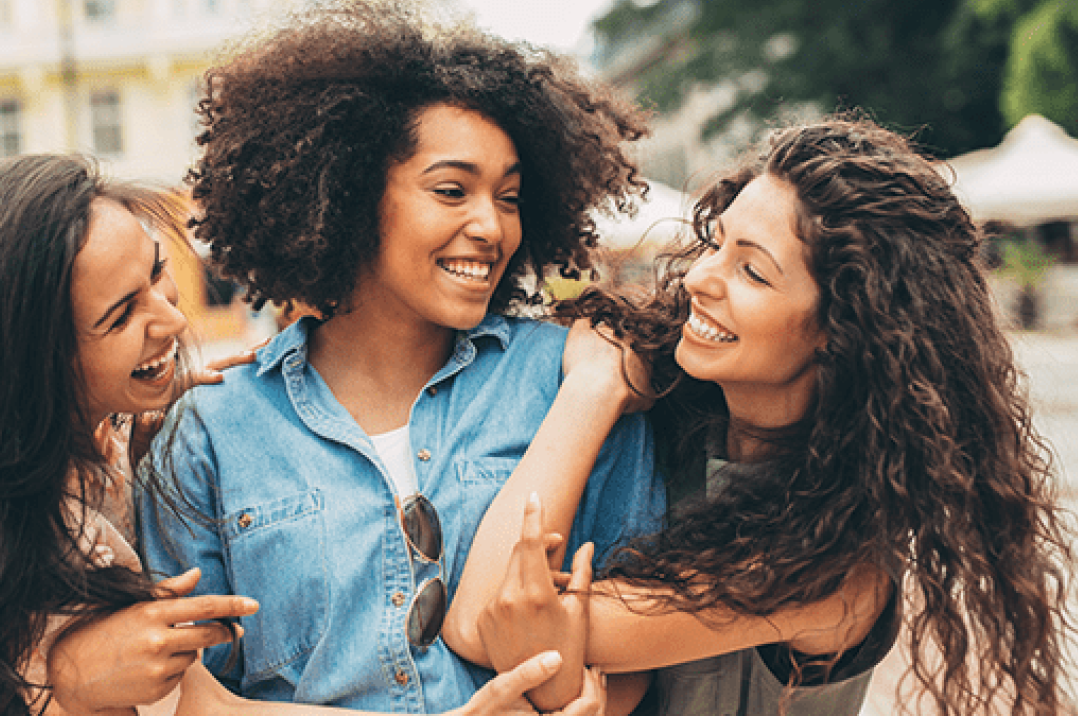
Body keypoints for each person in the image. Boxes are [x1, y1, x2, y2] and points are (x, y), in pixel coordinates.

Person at [0, 155, 605, 716]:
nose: (171, 319)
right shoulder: (34, 541)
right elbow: (206, 706)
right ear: (32, 364)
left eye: (159, 275)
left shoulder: (103, 446)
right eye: (121, 316)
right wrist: (65, 683)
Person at [137, 0, 666, 713]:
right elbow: (189, 696)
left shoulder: (576, 380)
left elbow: (633, 654)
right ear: (348, 192)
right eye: (452, 190)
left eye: (509, 197)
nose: (490, 226)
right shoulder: (212, 432)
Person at [445, 115, 1075, 716]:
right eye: (716, 243)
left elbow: (486, 619)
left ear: (842, 328)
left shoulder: (837, 569)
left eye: (751, 271)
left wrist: (591, 391)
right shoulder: (675, 408)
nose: (697, 278)